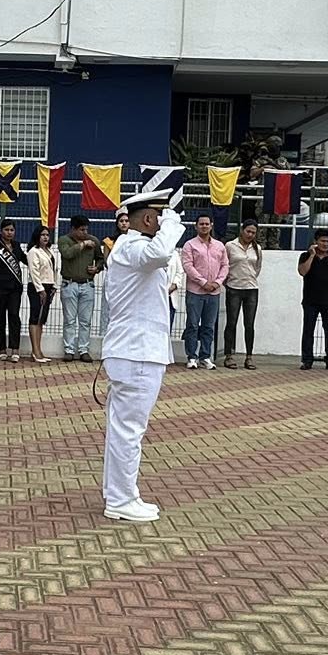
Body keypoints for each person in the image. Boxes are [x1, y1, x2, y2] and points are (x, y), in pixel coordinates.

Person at [100, 181, 187, 522]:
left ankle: (120, 494)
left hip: (136, 351)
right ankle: (121, 500)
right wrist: (174, 224)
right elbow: (160, 254)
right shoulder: (133, 247)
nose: (164, 223)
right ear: (149, 220)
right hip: (136, 353)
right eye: (160, 217)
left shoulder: (132, 248)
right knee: (129, 430)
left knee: (123, 429)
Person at [179, 214, 228, 370]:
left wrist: (217, 283)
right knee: (192, 325)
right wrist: (203, 282)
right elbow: (188, 266)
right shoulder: (189, 245)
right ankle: (191, 357)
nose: (204, 226)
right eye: (201, 224)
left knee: (209, 326)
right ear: (196, 226)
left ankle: (205, 356)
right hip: (195, 292)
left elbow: (225, 266)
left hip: (214, 292)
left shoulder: (220, 246)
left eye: (207, 224)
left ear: (211, 225)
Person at [299, 230, 328, 371]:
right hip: (310, 300)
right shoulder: (305, 256)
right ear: (315, 242)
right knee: (308, 330)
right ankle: (307, 360)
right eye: (322, 241)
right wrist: (312, 255)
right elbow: (302, 271)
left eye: (327, 241)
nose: (325, 244)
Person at [222, 219, 263, 369]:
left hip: (251, 288)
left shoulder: (257, 248)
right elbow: (224, 265)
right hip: (234, 287)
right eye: (248, 231)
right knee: (231, 323)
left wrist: (249, 278)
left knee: (249, 324)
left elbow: (257, 268)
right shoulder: (230, 246)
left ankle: (249, 357)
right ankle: (228, 355)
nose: (250, 235)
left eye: (253, 232)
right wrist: (228, 281)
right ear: (242, 230)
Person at [0, 219, 26, 360]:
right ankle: (1, 349)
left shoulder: (17, 245)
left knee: (14, 316)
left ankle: (15, 349)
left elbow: (25, 259)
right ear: (1, 231)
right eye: (6, 230)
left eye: (12, 230)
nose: (9, 233)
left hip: (14, 288)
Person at [58, 215, 100, 361]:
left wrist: (97, 268)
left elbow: (100, 259)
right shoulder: (64, 240)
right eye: (82, 230)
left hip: (87, 284)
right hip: (69, 284)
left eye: (86, 230)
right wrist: (82, 245)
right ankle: (69, 350)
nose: (85, 233)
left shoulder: (93, 241)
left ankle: (84, 350)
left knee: (85, 320)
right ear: (73, 229)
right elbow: (67, 254)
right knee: (69, 320)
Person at [24, 223, 61, 362]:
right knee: (35, 317)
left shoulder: (49, 251)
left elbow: (54, 270)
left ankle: (39, 350)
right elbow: (34, 271)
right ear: (37, 236)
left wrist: (54, 286)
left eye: (47, 235)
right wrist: (40, 289)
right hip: (37, 287)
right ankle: (35, 351)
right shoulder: (33, 251)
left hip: (49, 286)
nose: (45, 237)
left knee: (41, 319)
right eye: (42, 235)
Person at [96, 208, 130, 347]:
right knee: (108, 310)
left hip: (129, 281)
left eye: (126, 221)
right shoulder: (109, 241)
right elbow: (107, 262)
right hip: (113, 279)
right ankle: (106, 342)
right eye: (121, 221)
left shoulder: (134, 240)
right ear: (117, 223)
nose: (124, 223)